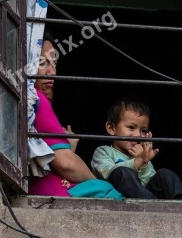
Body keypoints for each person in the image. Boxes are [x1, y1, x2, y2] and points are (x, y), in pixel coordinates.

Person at [29, 34, 122, 199]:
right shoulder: (35, 98)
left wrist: (68, 148)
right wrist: (97, 183)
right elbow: (66, 164)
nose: (52, 72)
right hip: (55, 192)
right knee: (112, 195)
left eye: (54, 63)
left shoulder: (23, 102)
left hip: (45, 192)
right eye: (42, 63)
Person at [91, 97, 182, 200]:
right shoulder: (103, 152)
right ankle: (151, 204)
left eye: (143, 130)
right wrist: (138, 161)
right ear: (111, 128)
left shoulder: (142, 155)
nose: (137, 135)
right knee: (121, 172)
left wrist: (144, 162)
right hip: (120, 199)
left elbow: (147, 182)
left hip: (147, 197)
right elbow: (109, 174)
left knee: (164, 174)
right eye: (131, 127)